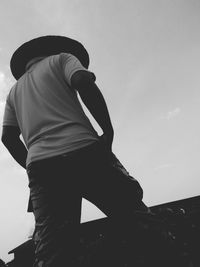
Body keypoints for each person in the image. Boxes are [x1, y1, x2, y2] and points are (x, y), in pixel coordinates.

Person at [2, 35, 150, 266]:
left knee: (54, 248)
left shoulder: (14, 91)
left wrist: (33, 164)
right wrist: (107, 131)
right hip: (85, 151)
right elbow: (82, 80)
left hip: (42, 167)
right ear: (53, 50)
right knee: (134, 216)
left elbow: (8, 137)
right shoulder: (61, 59)